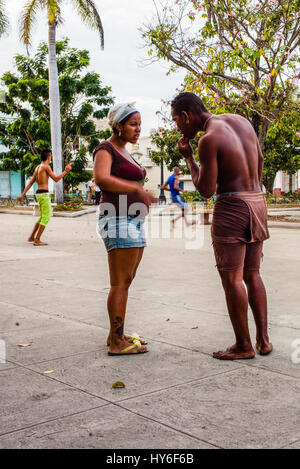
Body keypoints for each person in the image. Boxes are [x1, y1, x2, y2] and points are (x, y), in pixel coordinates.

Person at [171, 91, 272, 360]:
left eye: (176, 121)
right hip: (257, 200)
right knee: (253, 274)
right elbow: (260, 161)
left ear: (186, 115)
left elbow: (205, 190)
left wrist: (189, 159)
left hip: (232, 206)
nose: (177, 127)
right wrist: (251, 189)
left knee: (232, 278)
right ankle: (263, 341)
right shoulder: (241, 121)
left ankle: (243, 345)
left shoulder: (208, 139)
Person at [93, 102, 157, 356]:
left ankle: (115, 334)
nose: (138, 129)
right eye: (133, 124)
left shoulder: (126, 151)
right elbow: (102, 178)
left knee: (126, 281)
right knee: (119, 283)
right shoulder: (105, 149)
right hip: (117, 219)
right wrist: (136, 189)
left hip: (133, 220)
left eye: (140, 124)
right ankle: (117, 343)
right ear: (118, 126)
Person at [18, 149, 72, 246]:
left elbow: (30, 182)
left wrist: (23, 194)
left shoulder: (38, 167)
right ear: (48, 157)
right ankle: (37, 239)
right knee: (46, 217)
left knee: (42, 217)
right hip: (44, 194)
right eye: (50, 156)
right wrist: (65, 171)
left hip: (38, 194)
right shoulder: (46, 167)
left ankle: (31, 237)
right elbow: (56, 179)